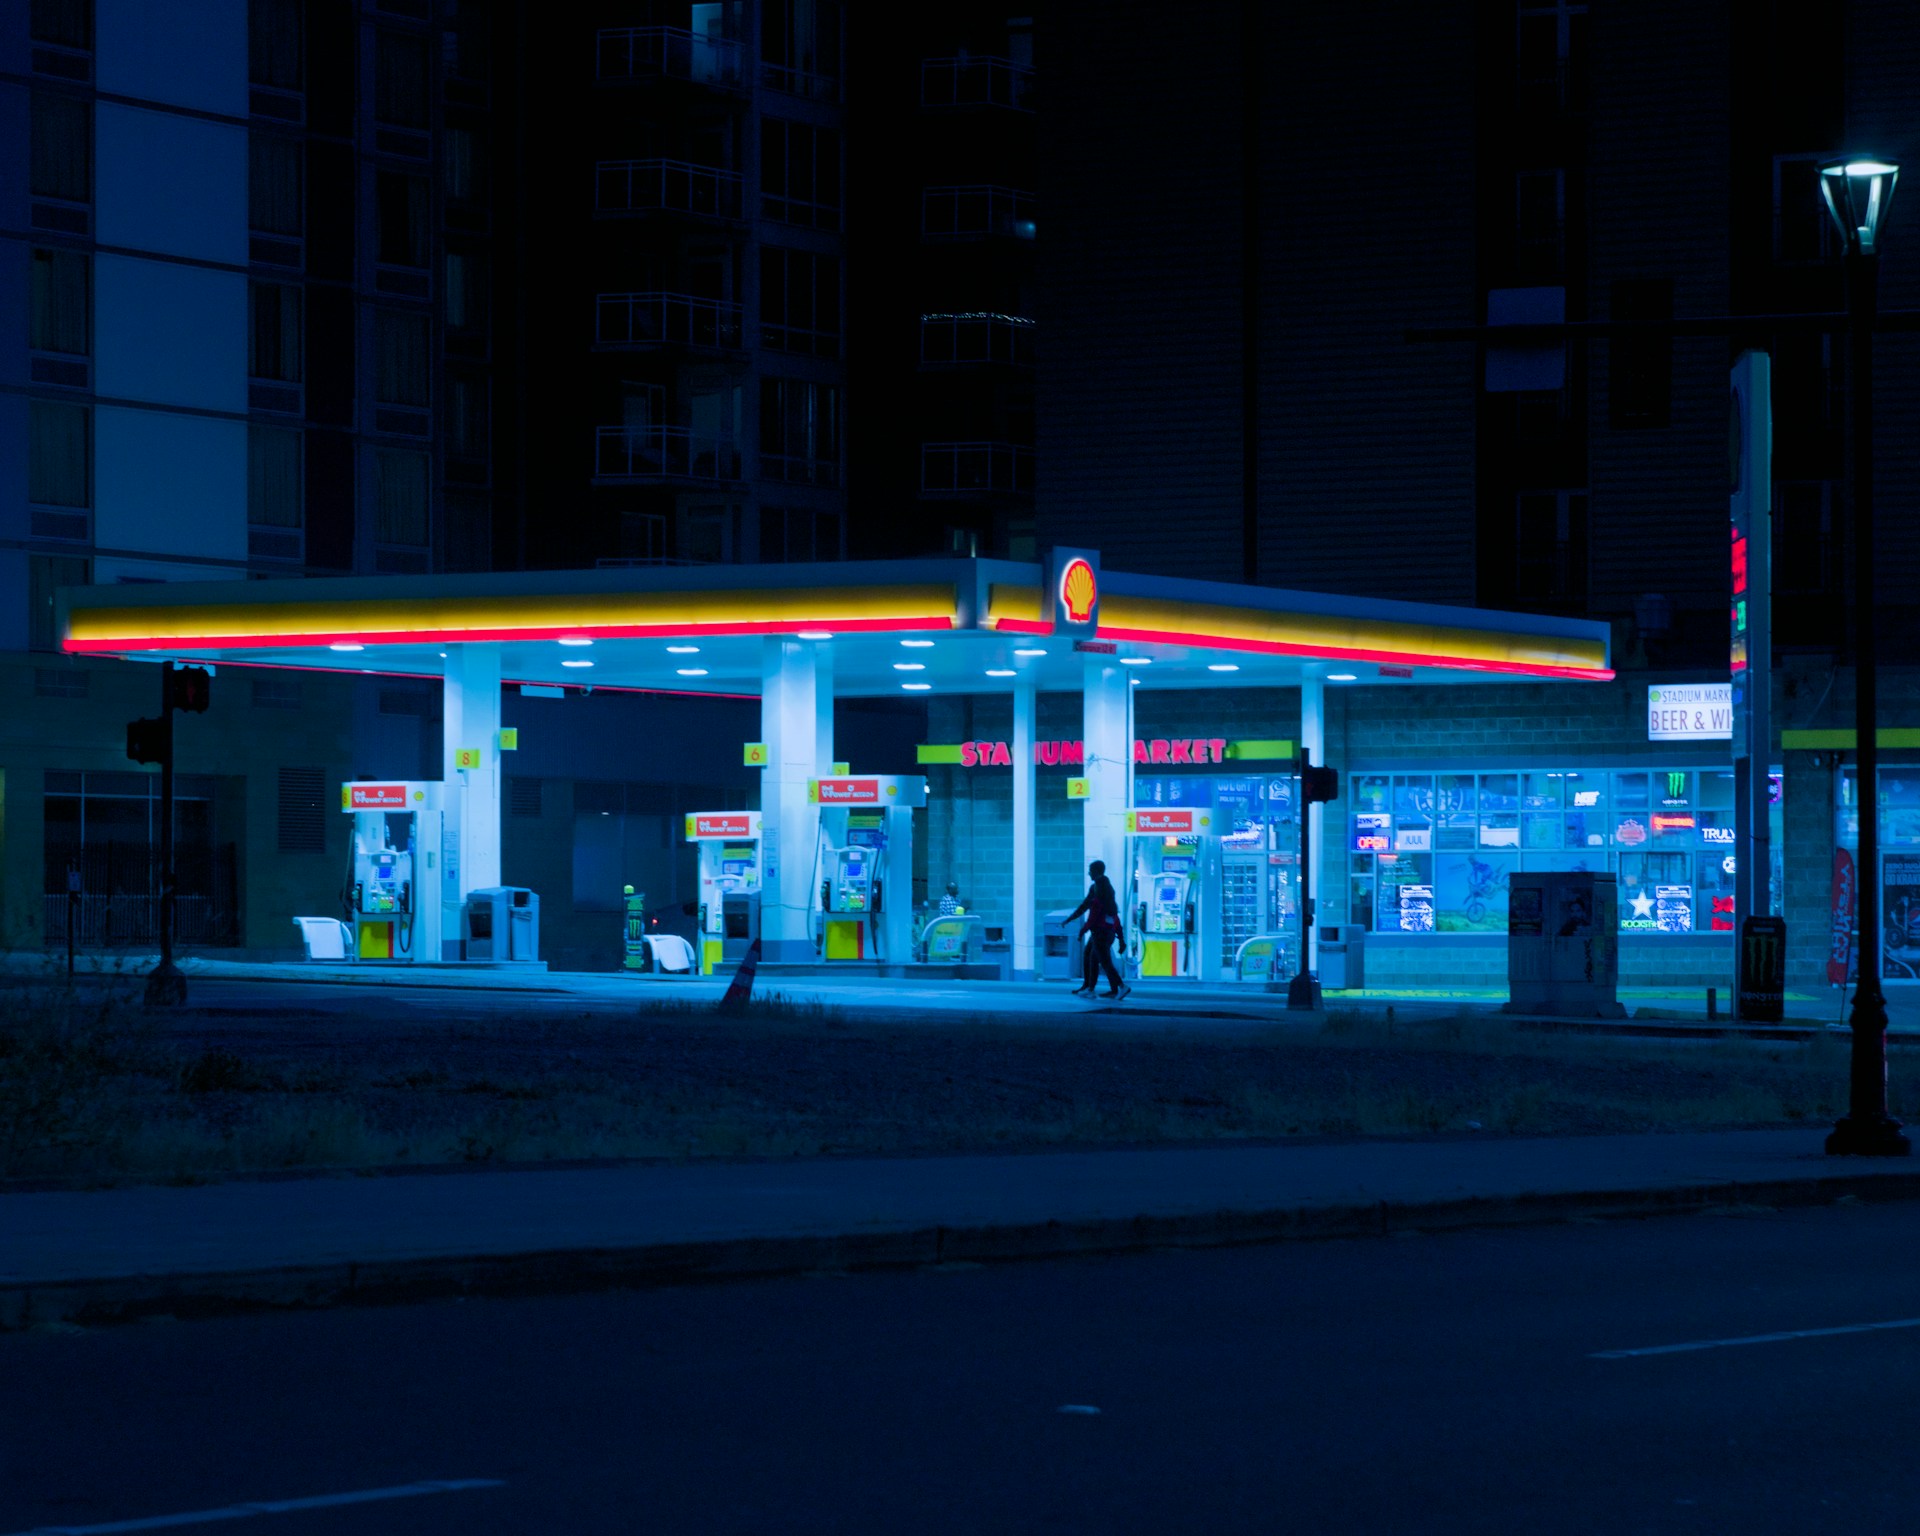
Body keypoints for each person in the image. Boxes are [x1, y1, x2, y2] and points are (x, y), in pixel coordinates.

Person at [1066, 858, 1130, 1000]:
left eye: (1090, 871)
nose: (1088, 873)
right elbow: (1113, 915)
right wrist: (1121, 939)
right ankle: (1094, 988)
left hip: (1100, 932)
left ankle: (1119, 986)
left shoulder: (1099, 891)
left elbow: (1092, 914)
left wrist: (1082, 929)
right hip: (1106, 931)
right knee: (1092, 956)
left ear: (1096, 871)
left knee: (1103, 960)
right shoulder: (1105, 888)